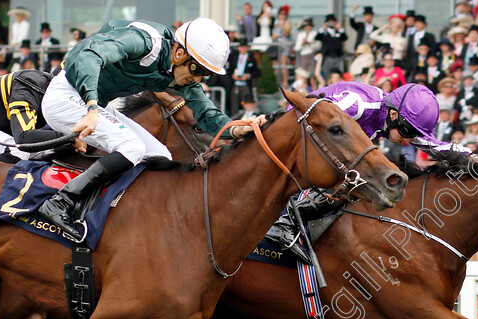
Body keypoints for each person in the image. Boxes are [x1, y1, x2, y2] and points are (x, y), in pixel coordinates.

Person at [37, 18, 259, 240]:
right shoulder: (144, 42)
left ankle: (128, 212)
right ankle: (61, 202)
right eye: (197, 69)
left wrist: (237, 129)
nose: (198, 78)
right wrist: (92, 107)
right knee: (132, 146)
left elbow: (207, 113)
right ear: (180, 53)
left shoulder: (180, 73)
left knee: (160, 155)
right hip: (65, 98)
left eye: (206, 74)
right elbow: (90, 54)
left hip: (94, 106)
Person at [267, 82, 452, 262]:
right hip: (294, 131)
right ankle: (284, 222)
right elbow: (313, 113)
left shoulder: (393, 120)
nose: (408, 140)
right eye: (407, 132)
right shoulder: (359, 105)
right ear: (394, 114)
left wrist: (475, 159)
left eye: (414, 135)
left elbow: (437, 147)